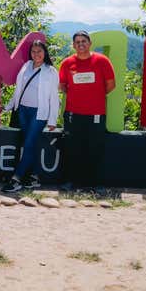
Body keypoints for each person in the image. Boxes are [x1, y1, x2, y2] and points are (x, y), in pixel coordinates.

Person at [58, 30, 115, 190]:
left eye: (84, 41)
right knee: (72, 149)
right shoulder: (67, 63)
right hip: (73, 114)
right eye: (77, 42)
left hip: (96, 114)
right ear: (73, 45)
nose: (81, 44)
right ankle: (70, 182)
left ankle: (95, 184)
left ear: (90, 43)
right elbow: (62, 85)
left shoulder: (102, 61)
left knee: (95, 149)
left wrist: (94, 96)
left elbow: (111, 84)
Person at [2, 40, 60, 193]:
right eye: (33, 51)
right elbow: (18, 90)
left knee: (28, 143)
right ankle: (34, 177)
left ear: (45, 52)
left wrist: (53, 119)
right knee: (30, 144)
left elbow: (54, 97)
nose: (36, 54)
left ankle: (17, 178)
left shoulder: (51, 71)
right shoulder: (26, 66)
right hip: (23, 110)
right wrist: (8, 106)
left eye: (39, 51)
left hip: (39, 113)